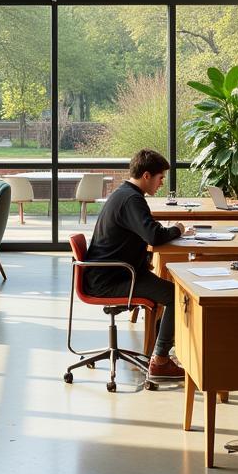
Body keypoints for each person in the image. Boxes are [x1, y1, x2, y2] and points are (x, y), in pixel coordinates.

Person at [83, 149, 194, 381]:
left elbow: (145, 233)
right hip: (113, 279)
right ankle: (161, 361)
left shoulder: (125, 194)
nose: (161, 183)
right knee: (177, 296)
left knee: (172, 291)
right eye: (160, 177)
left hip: (114, 273)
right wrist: (180, 229)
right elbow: (153, 236)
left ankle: (161, 348)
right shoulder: (132, 200)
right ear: (146, 175)